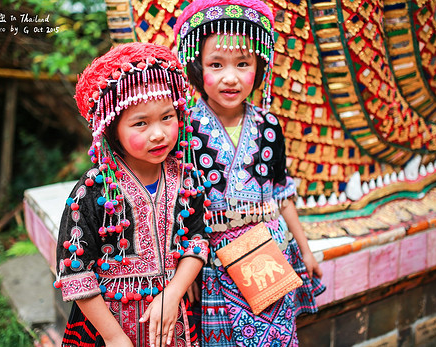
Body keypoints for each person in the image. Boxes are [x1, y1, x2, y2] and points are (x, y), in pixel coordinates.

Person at [173, 0, 325, 345]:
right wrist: (186, 269)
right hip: (214, 261)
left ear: (260, 67)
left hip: (272, 251)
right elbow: (179, 206)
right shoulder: (184, 131)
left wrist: (306, 249)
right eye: (216, 64)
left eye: (243, 63)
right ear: (198, 68)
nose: (231, 77)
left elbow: (282, 195)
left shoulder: (269, 125)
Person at [54, 42, 211, 347]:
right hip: (107, 330)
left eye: (167, 117)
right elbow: (76, 275)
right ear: (112, 129)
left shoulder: (186, 178)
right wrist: (113, 337)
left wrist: (175, 291)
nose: (159, 133)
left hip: (173, 320)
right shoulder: (91, 192)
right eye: (141, 123)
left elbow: (197, 240)